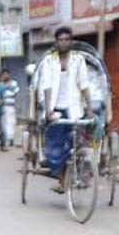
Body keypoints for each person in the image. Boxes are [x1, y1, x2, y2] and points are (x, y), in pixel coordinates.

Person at [39, 26, 93, 193]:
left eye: (67, 39)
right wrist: (48, 110)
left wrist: (89, 107)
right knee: (56, 145)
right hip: (56, 109)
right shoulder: (49, 60)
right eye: (61, 40)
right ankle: (62, 179)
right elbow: (46, 85)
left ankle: (80, 169)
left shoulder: (78, 59)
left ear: (71, 41)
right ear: (57, 42)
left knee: (77, 140)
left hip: (74, 108)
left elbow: (84, 84)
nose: (64, 42)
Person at [0, 68, 20, 148]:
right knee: (4, 123)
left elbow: (17, 94)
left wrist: (18, 105)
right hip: (3, 106)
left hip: (11, 106)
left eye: (6, 74)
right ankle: (5, 139)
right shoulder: (0, 85)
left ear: (9, 75)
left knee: (12, 123)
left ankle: (11, 140)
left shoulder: (14, 84)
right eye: (3, 74)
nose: (5, 76)